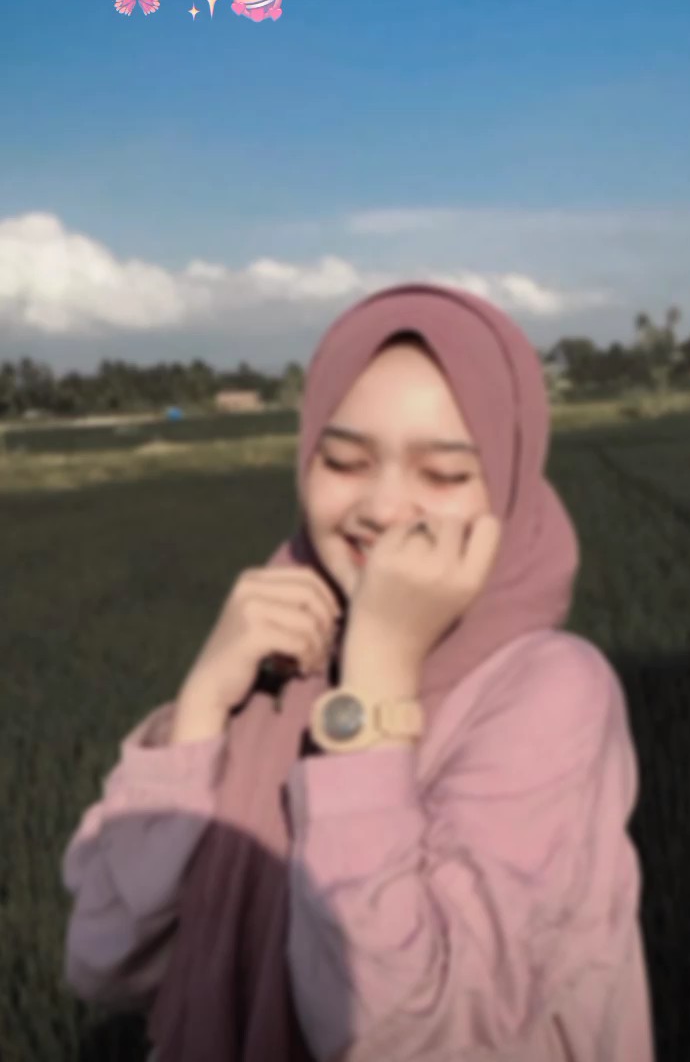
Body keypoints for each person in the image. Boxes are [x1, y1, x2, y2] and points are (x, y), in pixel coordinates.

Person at [61, 282, 656, 1061]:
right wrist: (201, 704)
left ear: (510, 484)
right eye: (343, 460)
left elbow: (406, 1033)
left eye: (443, 474)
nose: (382, 506)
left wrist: (376, 681)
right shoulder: (276, 665)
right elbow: (104, 960)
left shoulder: (552, 692)